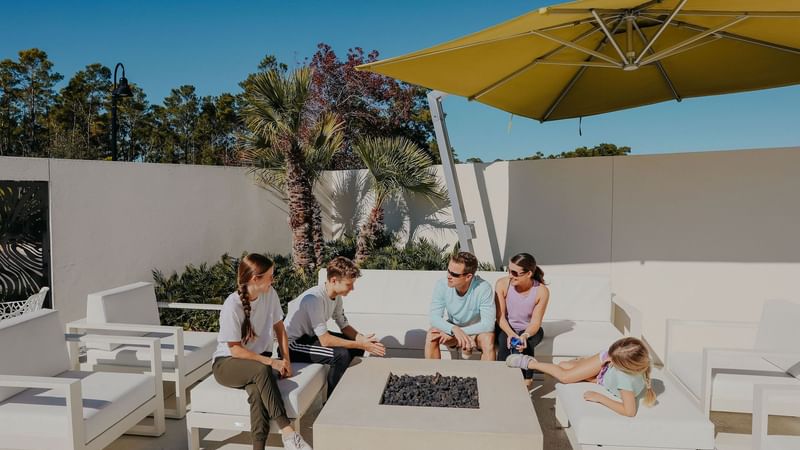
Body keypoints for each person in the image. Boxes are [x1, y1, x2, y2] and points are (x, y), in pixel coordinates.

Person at [211, 254, 312, 450]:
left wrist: (285, 360)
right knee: (261, 371)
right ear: (255, 279)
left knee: (258, 393)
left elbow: (280, 329)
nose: (273, 280)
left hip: (256, 364)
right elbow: (235, 350)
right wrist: (272, 363)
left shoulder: (270, 294)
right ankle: (289, 434)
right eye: (269, 276)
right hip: (227, 363)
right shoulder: (232, 305)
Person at [284, 256, 385, 395]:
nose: (352, 288)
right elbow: (325, 341)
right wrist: (361, 344)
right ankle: (330, 403)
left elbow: (344, 326)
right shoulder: (314, 299)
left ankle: (345, 391)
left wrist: (362, 340)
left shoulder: (336, 297)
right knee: (341, 355)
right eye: (349, 284)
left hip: (310, 337)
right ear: (333, 280)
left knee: (355, 349)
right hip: (292, 345)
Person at [506, 337, 657, 417]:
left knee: (564, 367)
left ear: (626, 366)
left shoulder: (626, 380)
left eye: (613, 359)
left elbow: (629, 411)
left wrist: (599, 397)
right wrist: (609, 361)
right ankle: (532, 363)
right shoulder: (628, 362)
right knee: (565, 372)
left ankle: (532, 363)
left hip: (602, 376)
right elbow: (630, 412)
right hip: (604, 367)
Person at [426, 251, 496, 360]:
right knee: (432, 335)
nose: (449, 276)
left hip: (477, 332)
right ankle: (433, 375)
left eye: (454, 274)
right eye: (448, 271)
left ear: (468, 277)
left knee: (488, 340)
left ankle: (486, 377)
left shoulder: (483, 288)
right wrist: (454, 329)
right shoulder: (442, 284)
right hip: (454, 329)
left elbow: (488, 325)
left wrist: (461, 332)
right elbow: (434, 318)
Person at [495, 253, 549, 388]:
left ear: (529, 273)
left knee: (527, 344)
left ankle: (526, 382)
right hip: (505, 327)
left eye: (514, 272)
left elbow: (535, 323)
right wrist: (511, 334)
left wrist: (524, 335)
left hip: (530, 330)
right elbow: (500, 317)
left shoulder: (541, 291)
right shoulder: (502, 284)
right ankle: (502, 382)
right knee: (505, 345)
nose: (509, 275)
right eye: (508, 270)